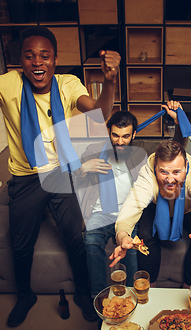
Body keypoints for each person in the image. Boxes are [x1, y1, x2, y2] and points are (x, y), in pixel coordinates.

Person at [0, 17, 120, 326]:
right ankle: (25, 296)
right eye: (29, 55)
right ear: (20, 60)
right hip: (27, 177)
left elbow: (98, 112)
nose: (37, 61)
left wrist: (109, 82)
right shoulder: (8, 84)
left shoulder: (67, 84)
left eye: (44, 55)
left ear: (55, 60)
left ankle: (83, 292)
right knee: (20, 242)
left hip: (62, 172)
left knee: (75, 238)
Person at [75, 101, 183, 297]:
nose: (120, 141)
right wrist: (82, 169)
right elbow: (71, 181)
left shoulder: (142, 150)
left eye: (126, 136)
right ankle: (97, 297)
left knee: (131, 251)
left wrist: (177, 121)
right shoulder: (93, 149)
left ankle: (131, 298)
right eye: (115, 135)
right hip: (100, 213)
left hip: (128, 213)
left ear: (134, 134)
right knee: (90, 241)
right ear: (109, 131)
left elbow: (174, 150)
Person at [109, 139, 191, 288]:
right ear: (156, 167)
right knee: (145, 236)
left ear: (186, 167)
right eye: (163, 172)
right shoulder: (147, 170)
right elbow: (133, 203)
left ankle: (188, 289)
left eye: (177, 172)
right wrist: (122, 235)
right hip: (156, 206)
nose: (170, 180)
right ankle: (150, 288)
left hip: (189, 209)